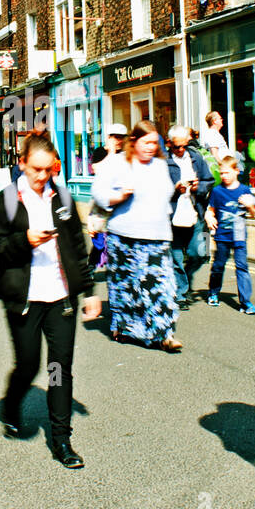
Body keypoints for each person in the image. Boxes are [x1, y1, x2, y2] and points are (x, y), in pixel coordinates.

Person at [0, 132, 100, 469]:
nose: (42, 176)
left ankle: (62, 440)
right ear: (21, 164)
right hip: (24, 299)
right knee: (28, 365)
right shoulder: (8, 200)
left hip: (61, 298)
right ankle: (13, 403)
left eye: (48, 170)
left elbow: (77, 246)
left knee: (59, 369)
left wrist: (89, 292)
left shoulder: (61, 197)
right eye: (36, 169)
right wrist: (24, 241)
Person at [90, 120, 183, 352]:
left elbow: (164, 194)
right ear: (134, 141)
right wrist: (119, 196)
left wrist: (178, 190)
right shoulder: (118, 163)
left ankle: (164, 333)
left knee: (161, 284)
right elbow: (98, 192)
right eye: (146, 142)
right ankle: (123, 327)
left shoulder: (160, 165)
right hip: (124, 236)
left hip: (158, 235)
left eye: (155, 143)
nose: (151, 147)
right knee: (126, 285)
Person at [165, 125, 215, 308]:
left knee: (200, 253)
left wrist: (197, 187)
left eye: (184, 145)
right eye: (177, 147)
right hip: (173, 216)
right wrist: (175, 190)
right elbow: (159, 192)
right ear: (169, 144)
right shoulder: (163, 163)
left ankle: (184, 277)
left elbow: (209, 181)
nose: (181, 150)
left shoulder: (196, 158)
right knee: (176, 257)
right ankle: (180, 293)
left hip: (195, 213)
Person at [204, 155, 255, 313]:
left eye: (227, 173)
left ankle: (245, 302)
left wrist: (250, 206)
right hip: (222, 235)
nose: (223, 176)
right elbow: (211, 210)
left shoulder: (245, 190)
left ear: (236, 171)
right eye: (221, 173)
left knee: (242, 267)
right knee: (218, 266)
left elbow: (254, 213)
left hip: (240, 236)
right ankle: (213, 292)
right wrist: (209, 218)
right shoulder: (217, 191)